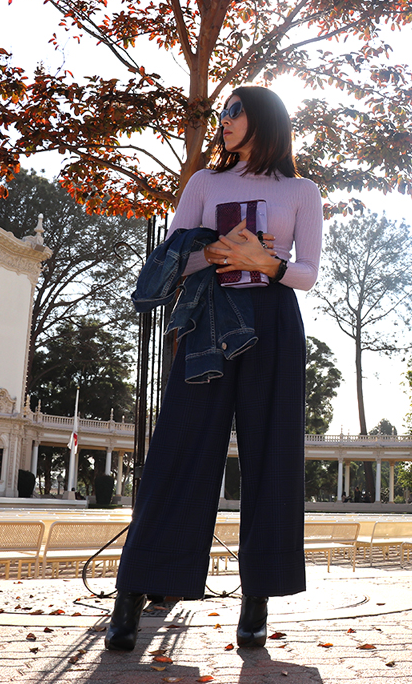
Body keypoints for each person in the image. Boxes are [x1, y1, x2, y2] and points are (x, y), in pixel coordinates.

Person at [105, 85, 323, 652]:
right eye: (223, 111)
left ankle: (257, 600)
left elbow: (307, 272)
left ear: (264, 120)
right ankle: (134, 591)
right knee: (179, 450)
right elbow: (172, 260)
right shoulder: (203, 183)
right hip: (207, 321)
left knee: (272, 456)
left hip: (273, 321)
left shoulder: (301, 191)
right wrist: (220, 253)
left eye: (234, 111)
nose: (223, 119)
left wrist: (266, 262)